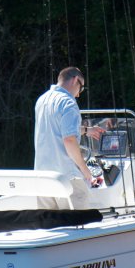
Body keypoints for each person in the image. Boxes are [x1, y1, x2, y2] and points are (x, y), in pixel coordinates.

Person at [33, 67, 105, 208]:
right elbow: (69, 140)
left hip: (42, 178)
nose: (78, 94)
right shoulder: (68, 103)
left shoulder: (42, 100)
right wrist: (85, 170)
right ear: (75, 80)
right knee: (78, 225)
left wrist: (85, 130)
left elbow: (55, 129)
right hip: (67, 177)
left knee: (50, 225)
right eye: (81, 88)